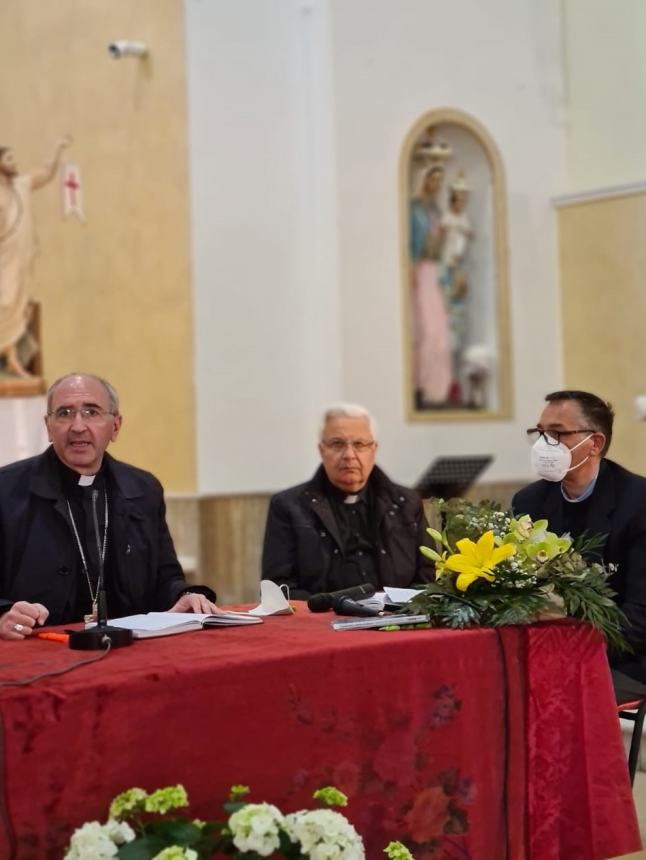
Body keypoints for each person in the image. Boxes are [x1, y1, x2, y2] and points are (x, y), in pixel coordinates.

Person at [0, 372, 217, 640]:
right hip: (41, 650)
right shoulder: (7, 490)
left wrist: (184, 595)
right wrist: (4, 614)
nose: (78, 426)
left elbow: (165, 576)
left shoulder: (143, 489)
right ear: (48, 426)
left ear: (115, 425)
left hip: (128, 650)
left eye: (91, 412)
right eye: (65, 413)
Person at [512, 390, 646, 696]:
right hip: (547, 650)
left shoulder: (638, 503)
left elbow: (641, 617)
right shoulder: (529, 501)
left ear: (594, 443)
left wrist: (569, 648)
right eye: (540, 432)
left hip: (626, 657)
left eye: (557, 433)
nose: (544, 443)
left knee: (548, 689)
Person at [261, 403, 432, 599]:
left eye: (359, 444)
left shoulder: (406, 503)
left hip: (394, 619)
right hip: (321, 623)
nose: (349, 455)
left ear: (373, 449)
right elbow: (278, 589)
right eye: (337, 444)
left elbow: (427, 577)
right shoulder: (289, 506)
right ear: (321, 450)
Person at [0, 137, 71, 379]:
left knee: (17, 308)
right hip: (4, 258)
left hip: (20, 259)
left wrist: (57, 149)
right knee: (5, 303)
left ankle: (11, 358)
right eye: (8, 158)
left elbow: (44, 172)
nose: (14, 162)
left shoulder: (21, 185)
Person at [410, 165, 451, 408]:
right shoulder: (414, 209)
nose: (435, 184)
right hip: (420, 270)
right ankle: (422, 385)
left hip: (435, 270)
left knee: (439, 331)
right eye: (432, 179)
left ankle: (439, 389)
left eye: (439, 180)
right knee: (424, 330)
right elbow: (411, 241)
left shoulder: (436, 210)